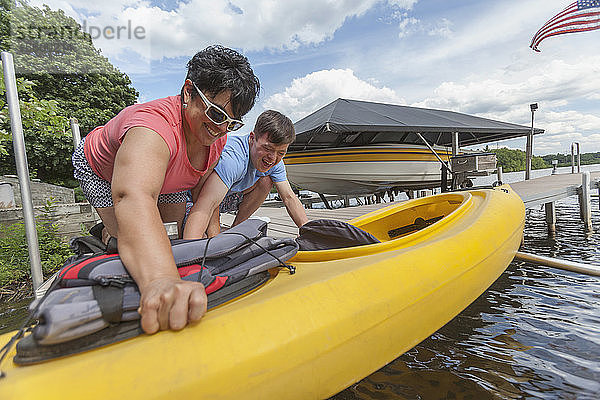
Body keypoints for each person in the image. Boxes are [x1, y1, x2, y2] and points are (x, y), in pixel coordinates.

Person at [71, 45, 260, 334]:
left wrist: (213, 240)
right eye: (216, 114)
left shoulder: (216, 136)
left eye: (232, 123)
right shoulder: (151, 127)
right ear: (188, 92)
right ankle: (107, 233)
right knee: (126, 235)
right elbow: (133, 196)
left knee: (169, 233)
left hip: (171, 173)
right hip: (101, 168)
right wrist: (161, 280)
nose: (221, 129)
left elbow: (201, 196)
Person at [183, 110, 309, 239]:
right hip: (192, 199)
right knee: (203, 237)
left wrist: (309, 231)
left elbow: (289, 197)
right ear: (252, 138)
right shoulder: (233, 158)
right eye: (267, 148)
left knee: (266, 181)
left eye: (281, 153)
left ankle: (236, 229)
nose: (272, 158)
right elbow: (207, 203)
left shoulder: (275, 162)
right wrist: (207, 242)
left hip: (224, 198)